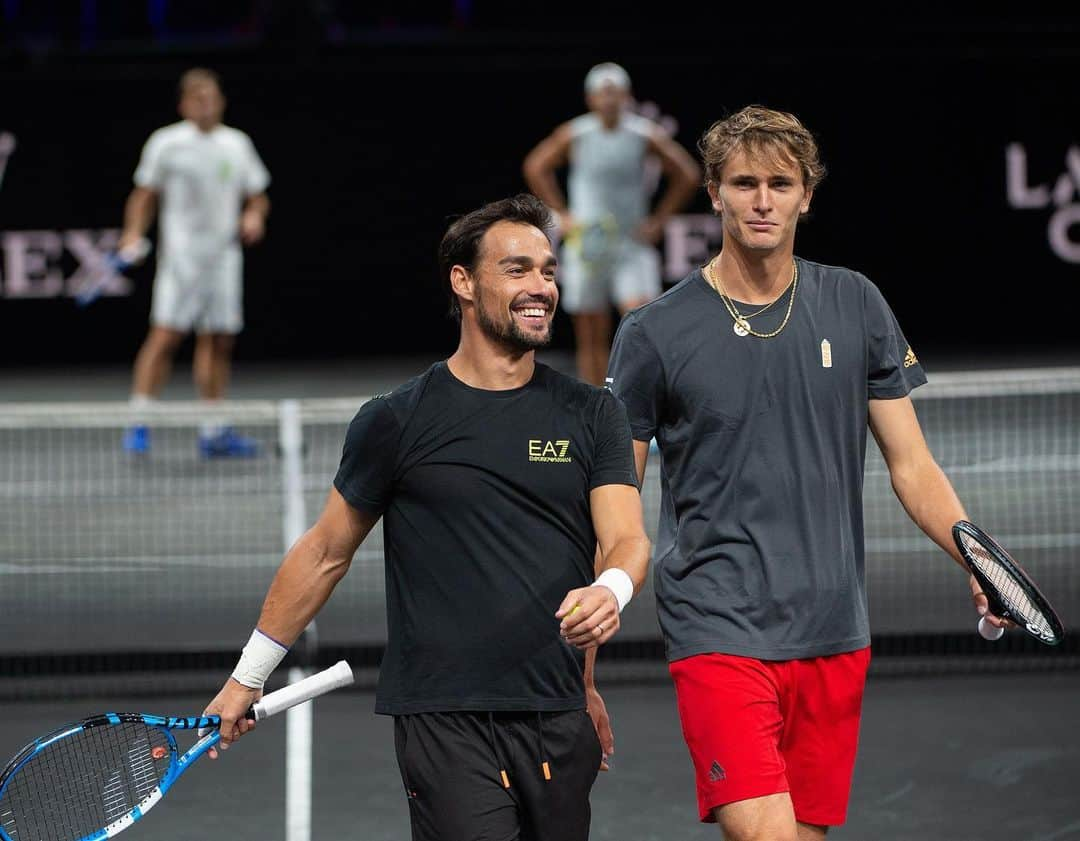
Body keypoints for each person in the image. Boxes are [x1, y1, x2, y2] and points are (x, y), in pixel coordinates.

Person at [605, 105, 1008, 840]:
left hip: (833, 628)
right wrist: (585, 643)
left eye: (781, 183)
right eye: (745, 182)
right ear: (716, 195)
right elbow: (613, 500)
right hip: (717, 624)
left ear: (806, 196)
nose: (763, 199)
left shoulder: (856, 302)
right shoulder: (652, 333)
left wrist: (975, 555)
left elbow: (912, 466)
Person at [202, 194, 652, 841]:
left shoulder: (592, 414)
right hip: (445, 720)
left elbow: (626, 539)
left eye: (549, 271)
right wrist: (247, 675)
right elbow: (326, 550)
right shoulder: (396, 419)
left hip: (557, 714)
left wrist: (609, 593)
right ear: (463, 282)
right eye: (518, 269)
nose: (541, 288)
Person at [118, 67, 271, 457]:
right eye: (198, 98)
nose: (206, 104)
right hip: (180, 260)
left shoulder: (237, 143)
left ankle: (214, 429)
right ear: (184, 104)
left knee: (219, 340)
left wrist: (254, 216)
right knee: (166, 336)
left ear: (221, 101)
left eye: (212, 97)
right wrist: (133, 233)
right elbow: (144, 196)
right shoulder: (165, 143)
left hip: (223, 260)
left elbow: (257, 194)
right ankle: (140, 420)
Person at [522, 61, 700, 387]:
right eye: (602, 94)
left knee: (641, 322)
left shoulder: (643, 133)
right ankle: (595, 402)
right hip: (588, 246)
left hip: (630, 243)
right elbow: (536, 165)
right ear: (590, 98)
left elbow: (687, 174)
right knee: (591, 330)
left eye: (615, 93)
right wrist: (560, 212)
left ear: (627, 96)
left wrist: (659, 219)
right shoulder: (576, 133)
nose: (609, 100)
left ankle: (639, 397)